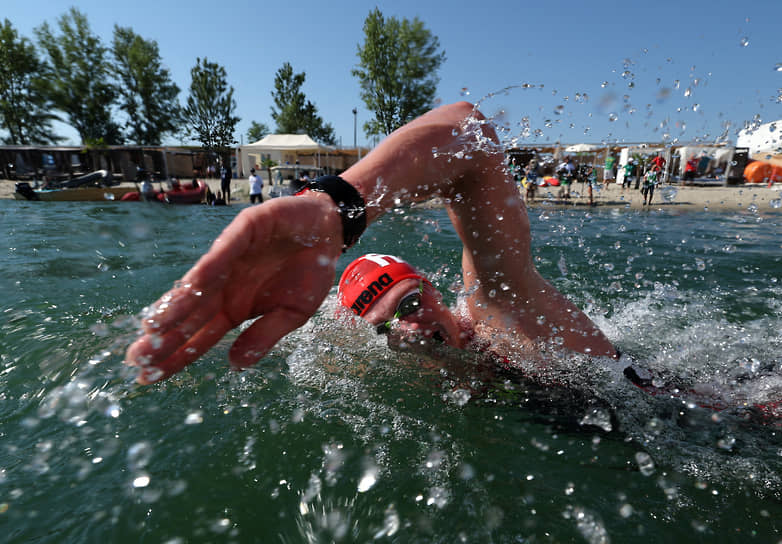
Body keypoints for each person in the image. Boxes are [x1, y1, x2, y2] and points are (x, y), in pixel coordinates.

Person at [125, 101, 616, 385]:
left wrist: (337, 207)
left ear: (432, 288)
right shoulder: (414, 379)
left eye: (411, 302)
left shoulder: (501, 311)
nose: (413, 326)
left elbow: (472, 132)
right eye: (388, 328)